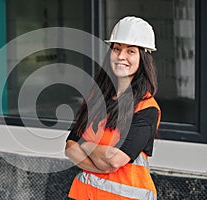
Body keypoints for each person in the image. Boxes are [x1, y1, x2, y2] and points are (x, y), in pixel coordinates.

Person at [65, 16, 161, 200]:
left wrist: (85, 145)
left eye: (131, 51)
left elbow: (115, 160)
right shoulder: (96, 98)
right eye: (117, 49)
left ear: (143, 58)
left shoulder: (147, 108)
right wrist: (102, 162)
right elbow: (70, 148)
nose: (121, 56)